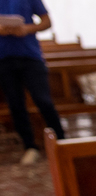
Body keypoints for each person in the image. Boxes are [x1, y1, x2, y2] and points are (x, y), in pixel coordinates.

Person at [0, 0, 63, 165]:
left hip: (30, 57)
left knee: (43, 100)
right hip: (3, 59)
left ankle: (61, 141)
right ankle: (30, 146)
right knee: (15, 105)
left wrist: (26, 29)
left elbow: (47, 21)